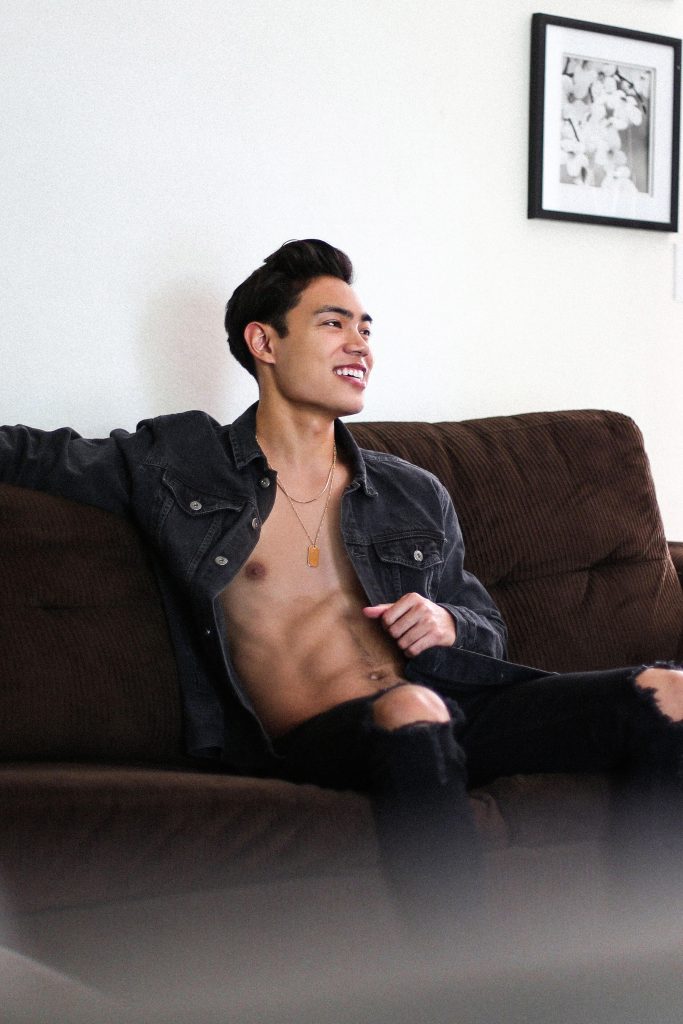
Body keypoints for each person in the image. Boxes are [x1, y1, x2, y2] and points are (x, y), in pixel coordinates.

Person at [1, 238, 681, 921]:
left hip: (450, 705)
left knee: (668, 691)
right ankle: (464, 968)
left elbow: (487, 632)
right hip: (322, 735)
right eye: (333, 323)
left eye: (365, 328)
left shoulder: (411, 490)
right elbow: (31, 454)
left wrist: (447, 622)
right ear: (264, 341)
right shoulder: (180, 461)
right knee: (412, 708)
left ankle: (646, 945)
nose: (359, 344)